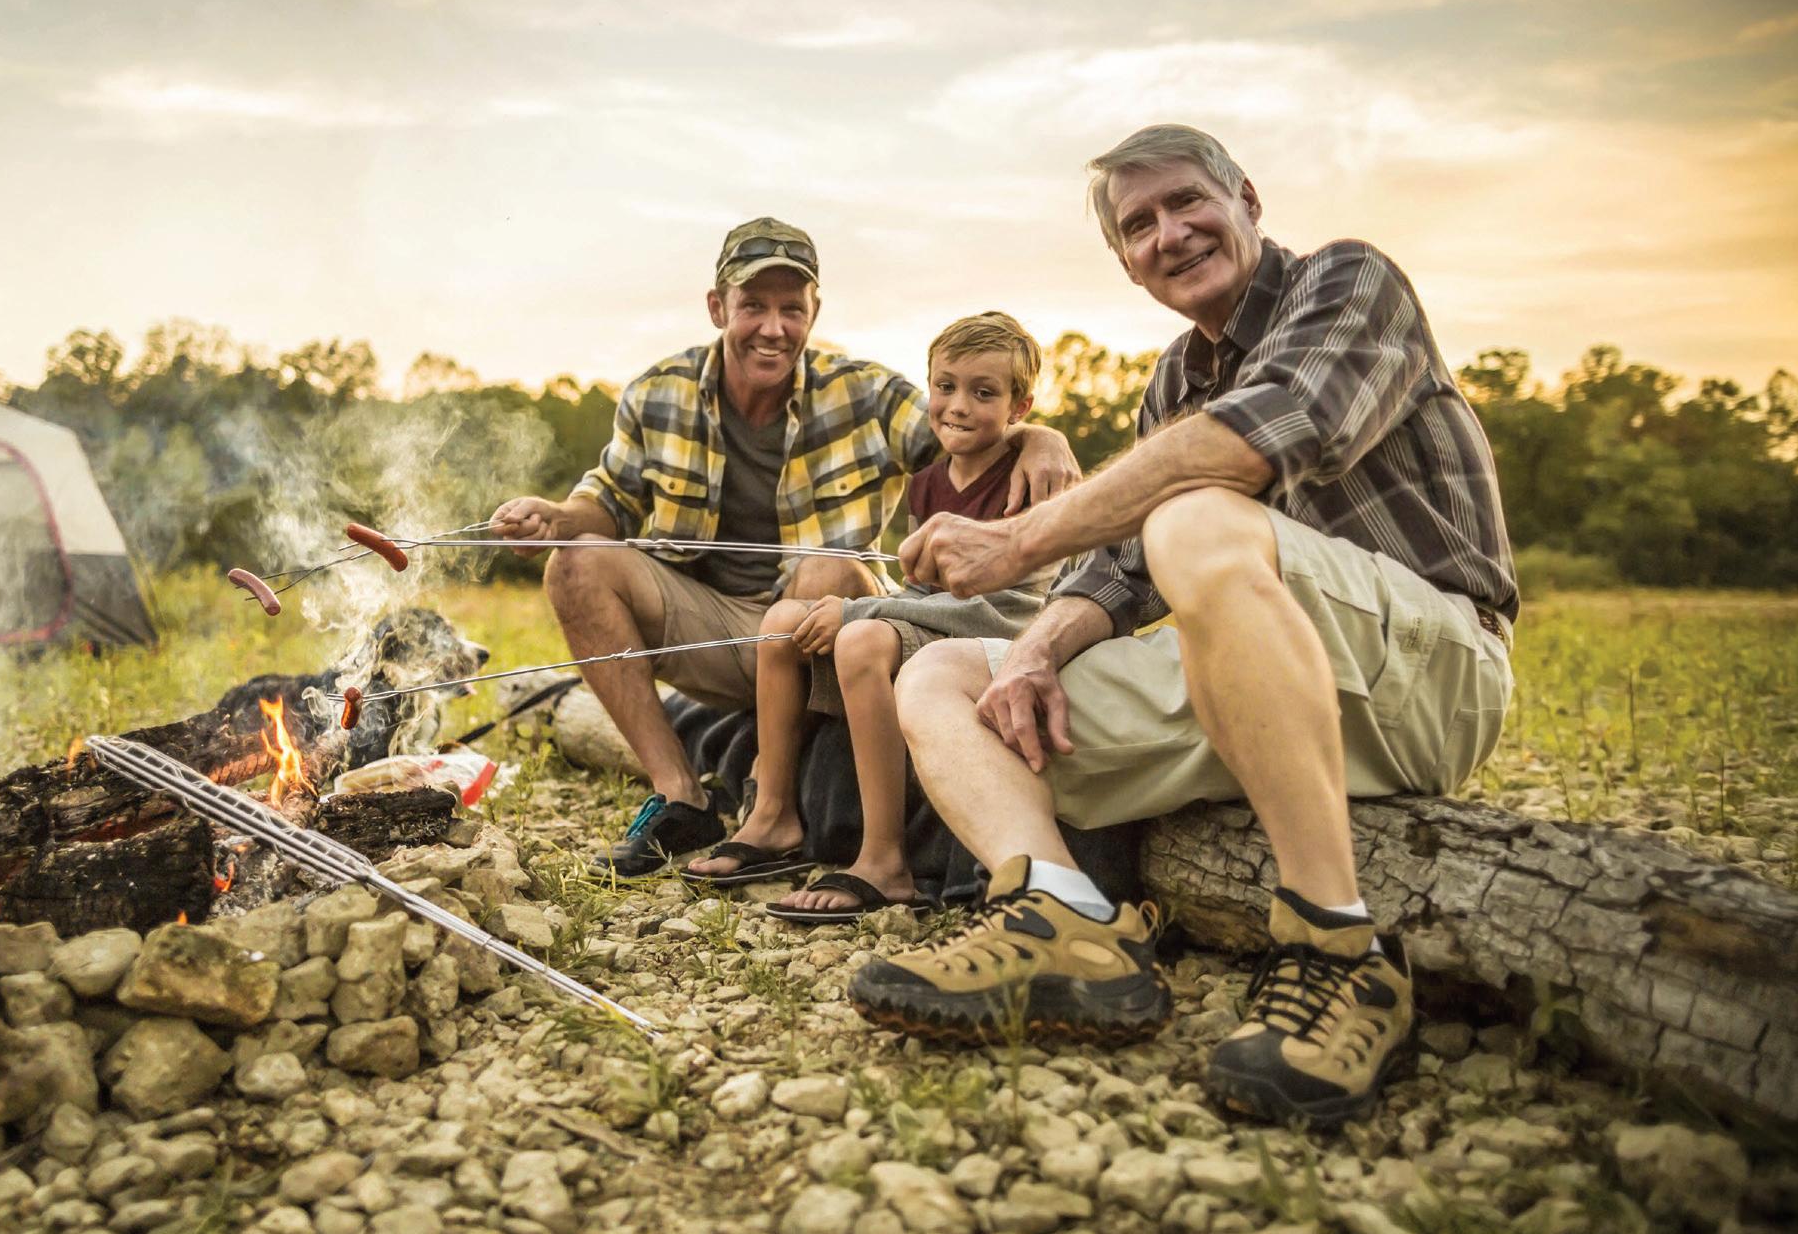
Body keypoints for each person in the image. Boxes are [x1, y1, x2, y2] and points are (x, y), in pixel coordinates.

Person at [850, 125, 1517, 1127]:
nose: (1168, 233)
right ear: (1126, 263)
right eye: (1138, 224)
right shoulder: (1173, 378)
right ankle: (1064, 918)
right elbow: (1121, 566)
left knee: (1194, 516)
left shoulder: (1348, 280)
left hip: (1428, 673)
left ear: (1246, 199)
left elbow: (1262, 437)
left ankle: (1335, 945)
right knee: (945, 672)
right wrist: (1034, 651)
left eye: (1187, 201)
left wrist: (1018, 540)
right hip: (1249, 680)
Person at [490, 218, 1078, 878]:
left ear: (813, 312)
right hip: (709, 630)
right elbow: (609, 502)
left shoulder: (867, 391)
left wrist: (1042, 437)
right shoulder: (658, 392)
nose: (773, 328)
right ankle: (680, 795)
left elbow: (967, 426)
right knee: (575, 562)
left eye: (791, 309)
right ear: (718, 307)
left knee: (827, 564)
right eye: (754, 306)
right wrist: (560, 516)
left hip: (821, 628)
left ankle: (776, 803)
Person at [681, 312, 1058, 921]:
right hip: (936, 627)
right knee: (782, 622)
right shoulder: (928, 480)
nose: (958, 406)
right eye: (945, 386)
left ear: (1020, 408)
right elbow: (925, 592)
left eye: (984, 393)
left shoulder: (1029, 479)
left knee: (860, 639)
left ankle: (885, 860)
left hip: (994, 638)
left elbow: (1005, 610)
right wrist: (866, 606)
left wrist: (860, 608)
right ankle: (773, 815)